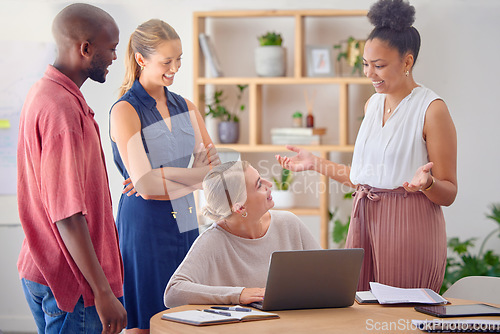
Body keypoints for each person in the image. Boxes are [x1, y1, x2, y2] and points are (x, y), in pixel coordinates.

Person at [276, 0, 457, 293]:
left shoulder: (432, 109)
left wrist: (428, 183)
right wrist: (315, 162)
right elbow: (364, 178)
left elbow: (449, 191)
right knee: (360, 313)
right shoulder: (372, 104)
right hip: (365, 221)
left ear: (407, 62)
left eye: (379, 66)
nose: (369, 74)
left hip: (409, 226)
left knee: (402, 317)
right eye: (365, 64)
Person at [17, 3, 127, 333]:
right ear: (85, 48)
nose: (114, 58)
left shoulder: (43, 92)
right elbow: (67, 214)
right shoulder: (62, 111)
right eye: (112, 49)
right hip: (74, 283)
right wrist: (102, 292)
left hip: (42, 267)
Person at [109, 19, 220, 332]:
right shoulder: (125, 110)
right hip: (145, 224)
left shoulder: (186, 106)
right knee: (145, 323)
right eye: (167, 61)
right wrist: (195, 176)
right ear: (141, 59)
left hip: (185, 220)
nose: (175, 68)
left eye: (179, 59)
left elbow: (214, 171)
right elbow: (144, 187)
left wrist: (161, 176)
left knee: (187, 319)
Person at [163, 161, 321, 308]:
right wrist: (238, 294)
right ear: (240, 208)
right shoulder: (212, 240)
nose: (269, 184)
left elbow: (327, 273)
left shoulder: (288, 223)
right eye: (259, 185)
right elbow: (173, 292)